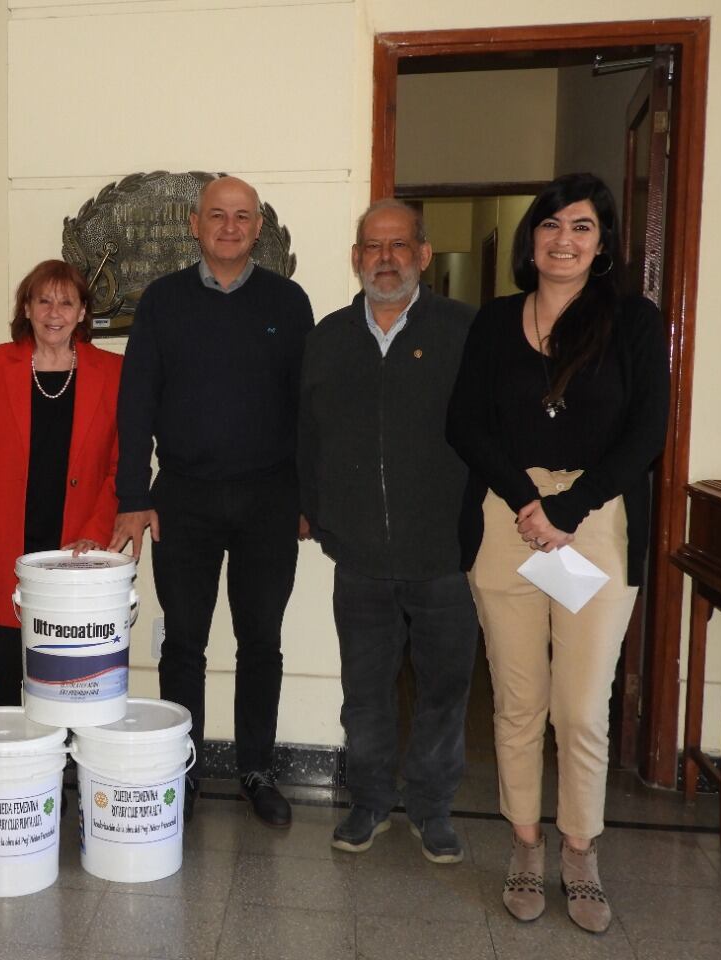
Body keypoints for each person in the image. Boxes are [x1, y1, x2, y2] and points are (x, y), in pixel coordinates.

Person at [447, 173, 669, 932]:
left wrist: (568, 509)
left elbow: (647, 432)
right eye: (550, 224)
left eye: (581, 227)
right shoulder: (495, 321)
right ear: (531, 238)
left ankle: (580, 850)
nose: (563, 238)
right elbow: (465, 424)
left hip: (597, 522)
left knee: (579, 708)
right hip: (509, 518)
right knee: (516, 703)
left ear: (602, 243)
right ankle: (524, 841)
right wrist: (525, 501)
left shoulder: (634, 322)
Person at [109, 175, 314, 828]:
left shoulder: (289, 300)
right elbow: (135, 403)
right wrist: (133, 495)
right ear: (194, 224)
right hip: (185, 500)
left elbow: (309, 410)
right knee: (184, 644)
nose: (229, 226)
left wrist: (310, 497)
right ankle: (185, 767)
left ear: (259, 228)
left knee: (262, 640)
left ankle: (258, 768)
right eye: (217, 215)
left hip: (269, 500)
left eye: (242, 216)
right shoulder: (162, 302)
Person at [298, 199, 477, 862]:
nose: (385, 258)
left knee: (444, 689)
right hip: (360, 554)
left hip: (445, 555)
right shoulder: (327, 338)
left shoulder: (464, 331)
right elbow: (305, 437)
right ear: (356, 258)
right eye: (372, 246)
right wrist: (314, 509)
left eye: (399, 245)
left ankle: (432, 809)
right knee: (364, 692)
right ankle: (369, 802)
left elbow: (491, 434)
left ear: (423, 255)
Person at [0, 260, 122, 701]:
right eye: (43, 300)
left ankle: (61, 766)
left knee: (69, 682)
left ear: (83, 312)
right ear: (26, 307)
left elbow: (121, 467)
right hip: (4, 553)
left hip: (75, 552)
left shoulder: (113, 372)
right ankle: (20, 767)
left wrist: (96, 533)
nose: (54, 312)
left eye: (67, 302)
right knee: (8, 684)